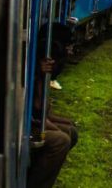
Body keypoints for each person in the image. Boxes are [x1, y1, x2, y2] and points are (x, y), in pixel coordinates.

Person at [27, 56, 77, 188]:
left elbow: (45, 112)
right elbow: (37, 112)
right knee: (61, 140)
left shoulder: (40, 78)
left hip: (33, 122)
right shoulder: (30, 76)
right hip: (25, 127)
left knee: (70, 131)